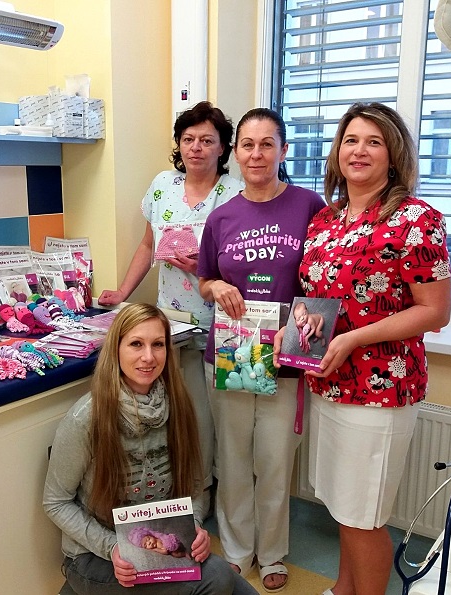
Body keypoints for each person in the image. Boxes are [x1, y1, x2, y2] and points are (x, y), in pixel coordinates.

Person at [274, 102, 451, 595]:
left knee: (365, 518)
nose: (359, 150)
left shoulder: (416, 219)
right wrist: (293, 330)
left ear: (393, 155)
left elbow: (435, 311)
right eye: (351, 140)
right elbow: (317, 297)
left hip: (380, 391)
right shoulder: (326, 220)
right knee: (343, 508)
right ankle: (342, 588)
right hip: (328, 382)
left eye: (374, 142)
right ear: (337, 151)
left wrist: (354, 338)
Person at [43, 303, 257, 595]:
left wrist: (194, 527)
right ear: (116, 350)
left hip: (159, 547)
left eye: (158, 344)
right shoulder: (86, 418)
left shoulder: (178, 405)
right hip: (96, 557)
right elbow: (55, 502)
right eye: (136, 344)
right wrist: (112, 548)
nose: (148, 357)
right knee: (217, 578)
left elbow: (195, 486)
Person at [197, 108, 325, 592]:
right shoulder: (221, 216)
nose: (256, 154)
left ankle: (271, 552)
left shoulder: (309, 206)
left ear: (283, 150)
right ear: (235, 152)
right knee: (231, 459)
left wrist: (306, 316)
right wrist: (215, 289)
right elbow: (206, 278)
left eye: (267, 144)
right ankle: (236, 550)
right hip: (230, 353)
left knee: (274, 461)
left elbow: (324, 280)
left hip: (286, 356)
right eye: (247, 145)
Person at [98, 102, 243, 508]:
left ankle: (205, 495)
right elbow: (148, 245)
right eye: (188, 139)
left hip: (221, 324)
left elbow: (244, 264)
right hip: (170, 325)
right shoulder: (163, 185)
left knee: (212, 419)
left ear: (223, 148)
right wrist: (123, 292)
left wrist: (204, 268)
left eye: (207, 141)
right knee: (174, 414)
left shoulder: (235, 193)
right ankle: (176, 493)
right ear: (179, 144)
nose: (196, 147)